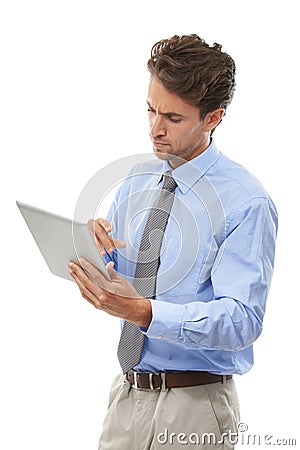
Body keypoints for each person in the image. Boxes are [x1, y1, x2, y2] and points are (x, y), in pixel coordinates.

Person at [68, 34, 278, 449]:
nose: (155, 128)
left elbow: (241, 322)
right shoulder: (137, 180)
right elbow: (125, 283)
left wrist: (145, 313)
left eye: (174, 118)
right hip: (126, 398)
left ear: (213, 118)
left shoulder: (247, 201)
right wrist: (96, 249)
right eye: (150, 109)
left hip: (195, 406)